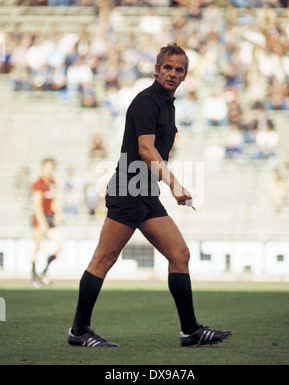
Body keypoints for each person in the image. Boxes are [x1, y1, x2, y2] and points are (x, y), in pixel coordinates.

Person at [67, 43, 232, 348]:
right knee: (103, 260)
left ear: (185, 76)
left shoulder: (167, 103)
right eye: (167, 67)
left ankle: (190, 332)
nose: (172, 73)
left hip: (144, 192)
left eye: (178, 69)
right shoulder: (147, 101)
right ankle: (79, 331)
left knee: (180, 255)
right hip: (129, 190)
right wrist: (175, 184)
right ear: (156, 70)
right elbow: (145, 150)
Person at [31, 158, 63, 287]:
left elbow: (55, 201)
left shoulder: (54, 182)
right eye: (46, 168)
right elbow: (37, 206)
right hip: (39, 220)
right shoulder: (38, 183)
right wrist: (42, 223)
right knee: (37, 248)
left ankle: (44, 271)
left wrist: (58, 213)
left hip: (49, 219)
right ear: (43, 168)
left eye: (51, 168)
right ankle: (33, 275)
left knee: (59, 246)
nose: (49, 171)